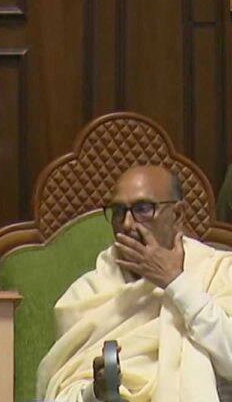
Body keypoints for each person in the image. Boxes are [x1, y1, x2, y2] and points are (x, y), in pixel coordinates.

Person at [36, 165, 232, 401]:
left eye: (143, 209)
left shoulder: (217, 272)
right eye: (119, 211)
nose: (127, 224)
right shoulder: (85, 295)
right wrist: (95, 392)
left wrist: (175, 282)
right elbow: (59, 394)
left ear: (178, 215)